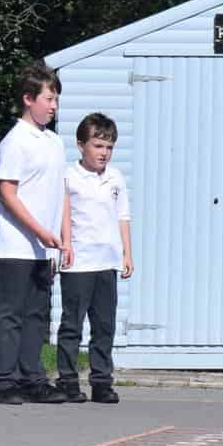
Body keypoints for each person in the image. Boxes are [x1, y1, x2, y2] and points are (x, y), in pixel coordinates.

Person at [0, 61, 69, 406]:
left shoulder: (54, 142)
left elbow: (61, 192)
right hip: (14, 244)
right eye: (48, 99)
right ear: (28, 99)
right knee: (8, 314)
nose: (53, 106)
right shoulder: (15, 141)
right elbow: (8, 194)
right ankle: (3, 382)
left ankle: (32, 378)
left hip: (44, 247)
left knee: (36, 314)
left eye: (56, 99)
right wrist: (40, 231)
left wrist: (64, 239)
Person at [56, 112, 133, 404]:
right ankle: (67, 380)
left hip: (107, 261)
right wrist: (65, 246)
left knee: (104, 326)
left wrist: (127, 253)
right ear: (81, 145)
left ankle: (101, 381)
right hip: (79, 261)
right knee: (72, 324)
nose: (104, 153)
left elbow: (122, 216)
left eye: (109, 147)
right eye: (98, 146)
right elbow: (63, 214)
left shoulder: (115, 178)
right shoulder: (69, 176)